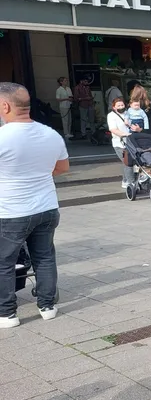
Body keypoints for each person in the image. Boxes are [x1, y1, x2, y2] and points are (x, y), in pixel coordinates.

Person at [0, 83, 69, 328]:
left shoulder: (2, 137)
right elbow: (62, 168)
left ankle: (7, 313)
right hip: (47, 207)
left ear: (5, 106)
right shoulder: (51, 134)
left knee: (4, 262)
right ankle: (47, 306)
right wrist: (36, 172)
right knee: (44, 257)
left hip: (12, 211)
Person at [107, 97, 141, 189]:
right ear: (114, 107)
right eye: (118, 105)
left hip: (131, 142)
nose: (121, 107)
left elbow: (134, 124)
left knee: (128, 162)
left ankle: (125, 180)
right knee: (127, 162)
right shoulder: (111, 116)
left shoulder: (128, 113)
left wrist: (138, 129)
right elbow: (113, 129)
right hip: (119, 143)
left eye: (122, 105)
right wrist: (124, 134)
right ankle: (131, 182)